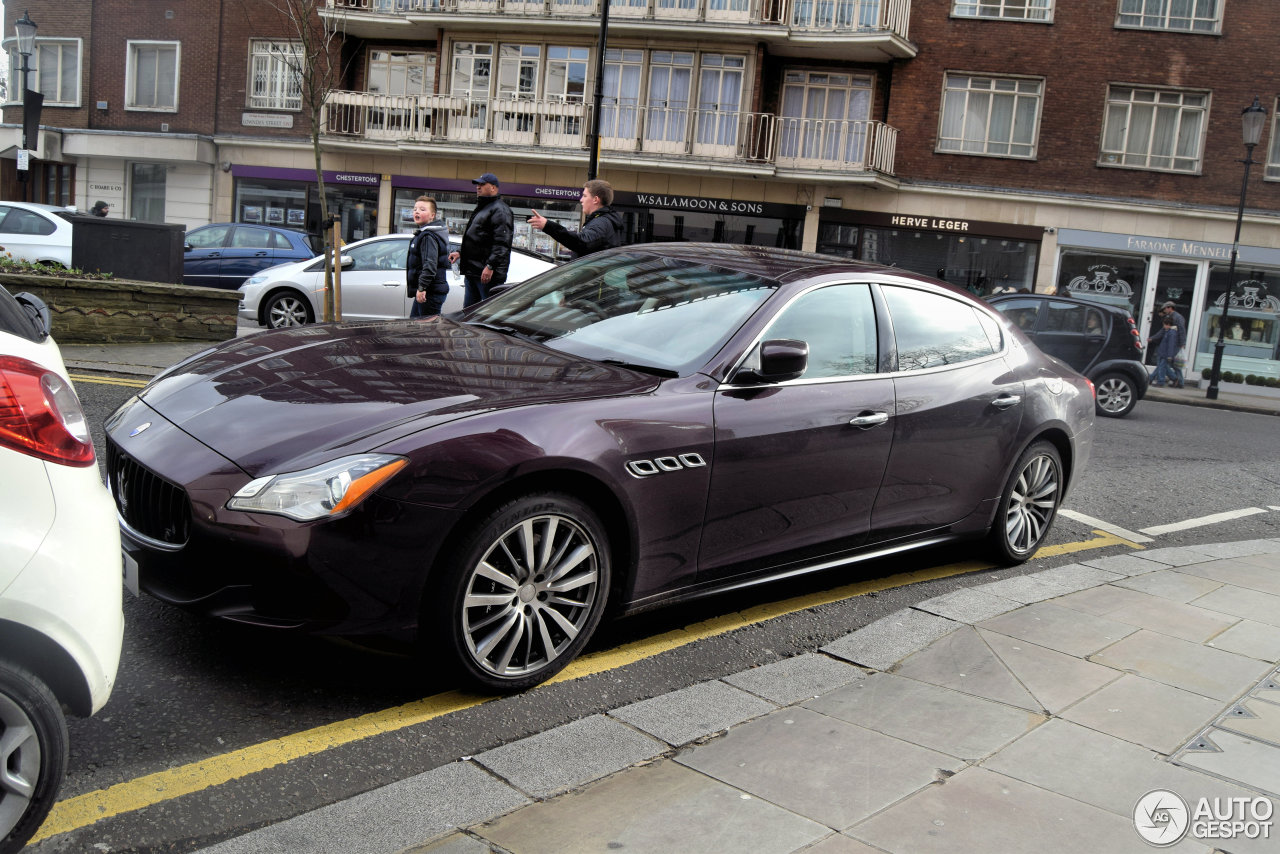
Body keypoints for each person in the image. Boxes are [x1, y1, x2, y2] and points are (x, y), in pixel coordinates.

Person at [448, 172, 513, 308]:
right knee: (470, 314)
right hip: (473, 272)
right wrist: (461, 252)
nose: (478, 187)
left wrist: (490, 266)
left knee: (487, 314)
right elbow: (478, 238)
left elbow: (502, 243)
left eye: (482, 184)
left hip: (487, 275)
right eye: (477, 184)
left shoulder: (500, 210)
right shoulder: (483, 207)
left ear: (494, 188)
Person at [528, 179, 624, 260]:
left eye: (585, 196)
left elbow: (581, 243)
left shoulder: (601, 222)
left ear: (595, 199)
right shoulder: (605, 221)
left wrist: (548, 226)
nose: (581, 200)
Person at [406, 195, 450, 318]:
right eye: (415, 209)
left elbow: (430, 265)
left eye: (422, 209)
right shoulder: (425, 234)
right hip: (427, 291)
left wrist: (422, 287)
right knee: (415, 328)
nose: (417, 212)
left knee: (427, 333)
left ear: (432, 215)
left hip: (429, 293)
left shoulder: (428, 236)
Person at [1156, 300, 1187, 387]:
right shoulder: (1170, 316)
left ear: (1169, 308)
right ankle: (1179, 382)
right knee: (1174, 364)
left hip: (1175, 344)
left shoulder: (1178, 317)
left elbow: (1181, 330)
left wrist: (1182, 343)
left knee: (1168, 363)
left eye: (1165, 308)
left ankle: (1177, 381)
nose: (1164, 310)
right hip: (1173, 343)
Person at [1149, 316, 1181, 387]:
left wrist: (1170, 355)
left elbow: (1171, 345)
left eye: (1164, 325)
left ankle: (1161, 382)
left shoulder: (1171, 333)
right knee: (1162, 367)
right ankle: (1174, 378)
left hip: (1165, 354)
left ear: (1168, 324)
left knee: (1161, 368)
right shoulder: (1168, 331)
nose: (1163, 326)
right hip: (1163, 353)